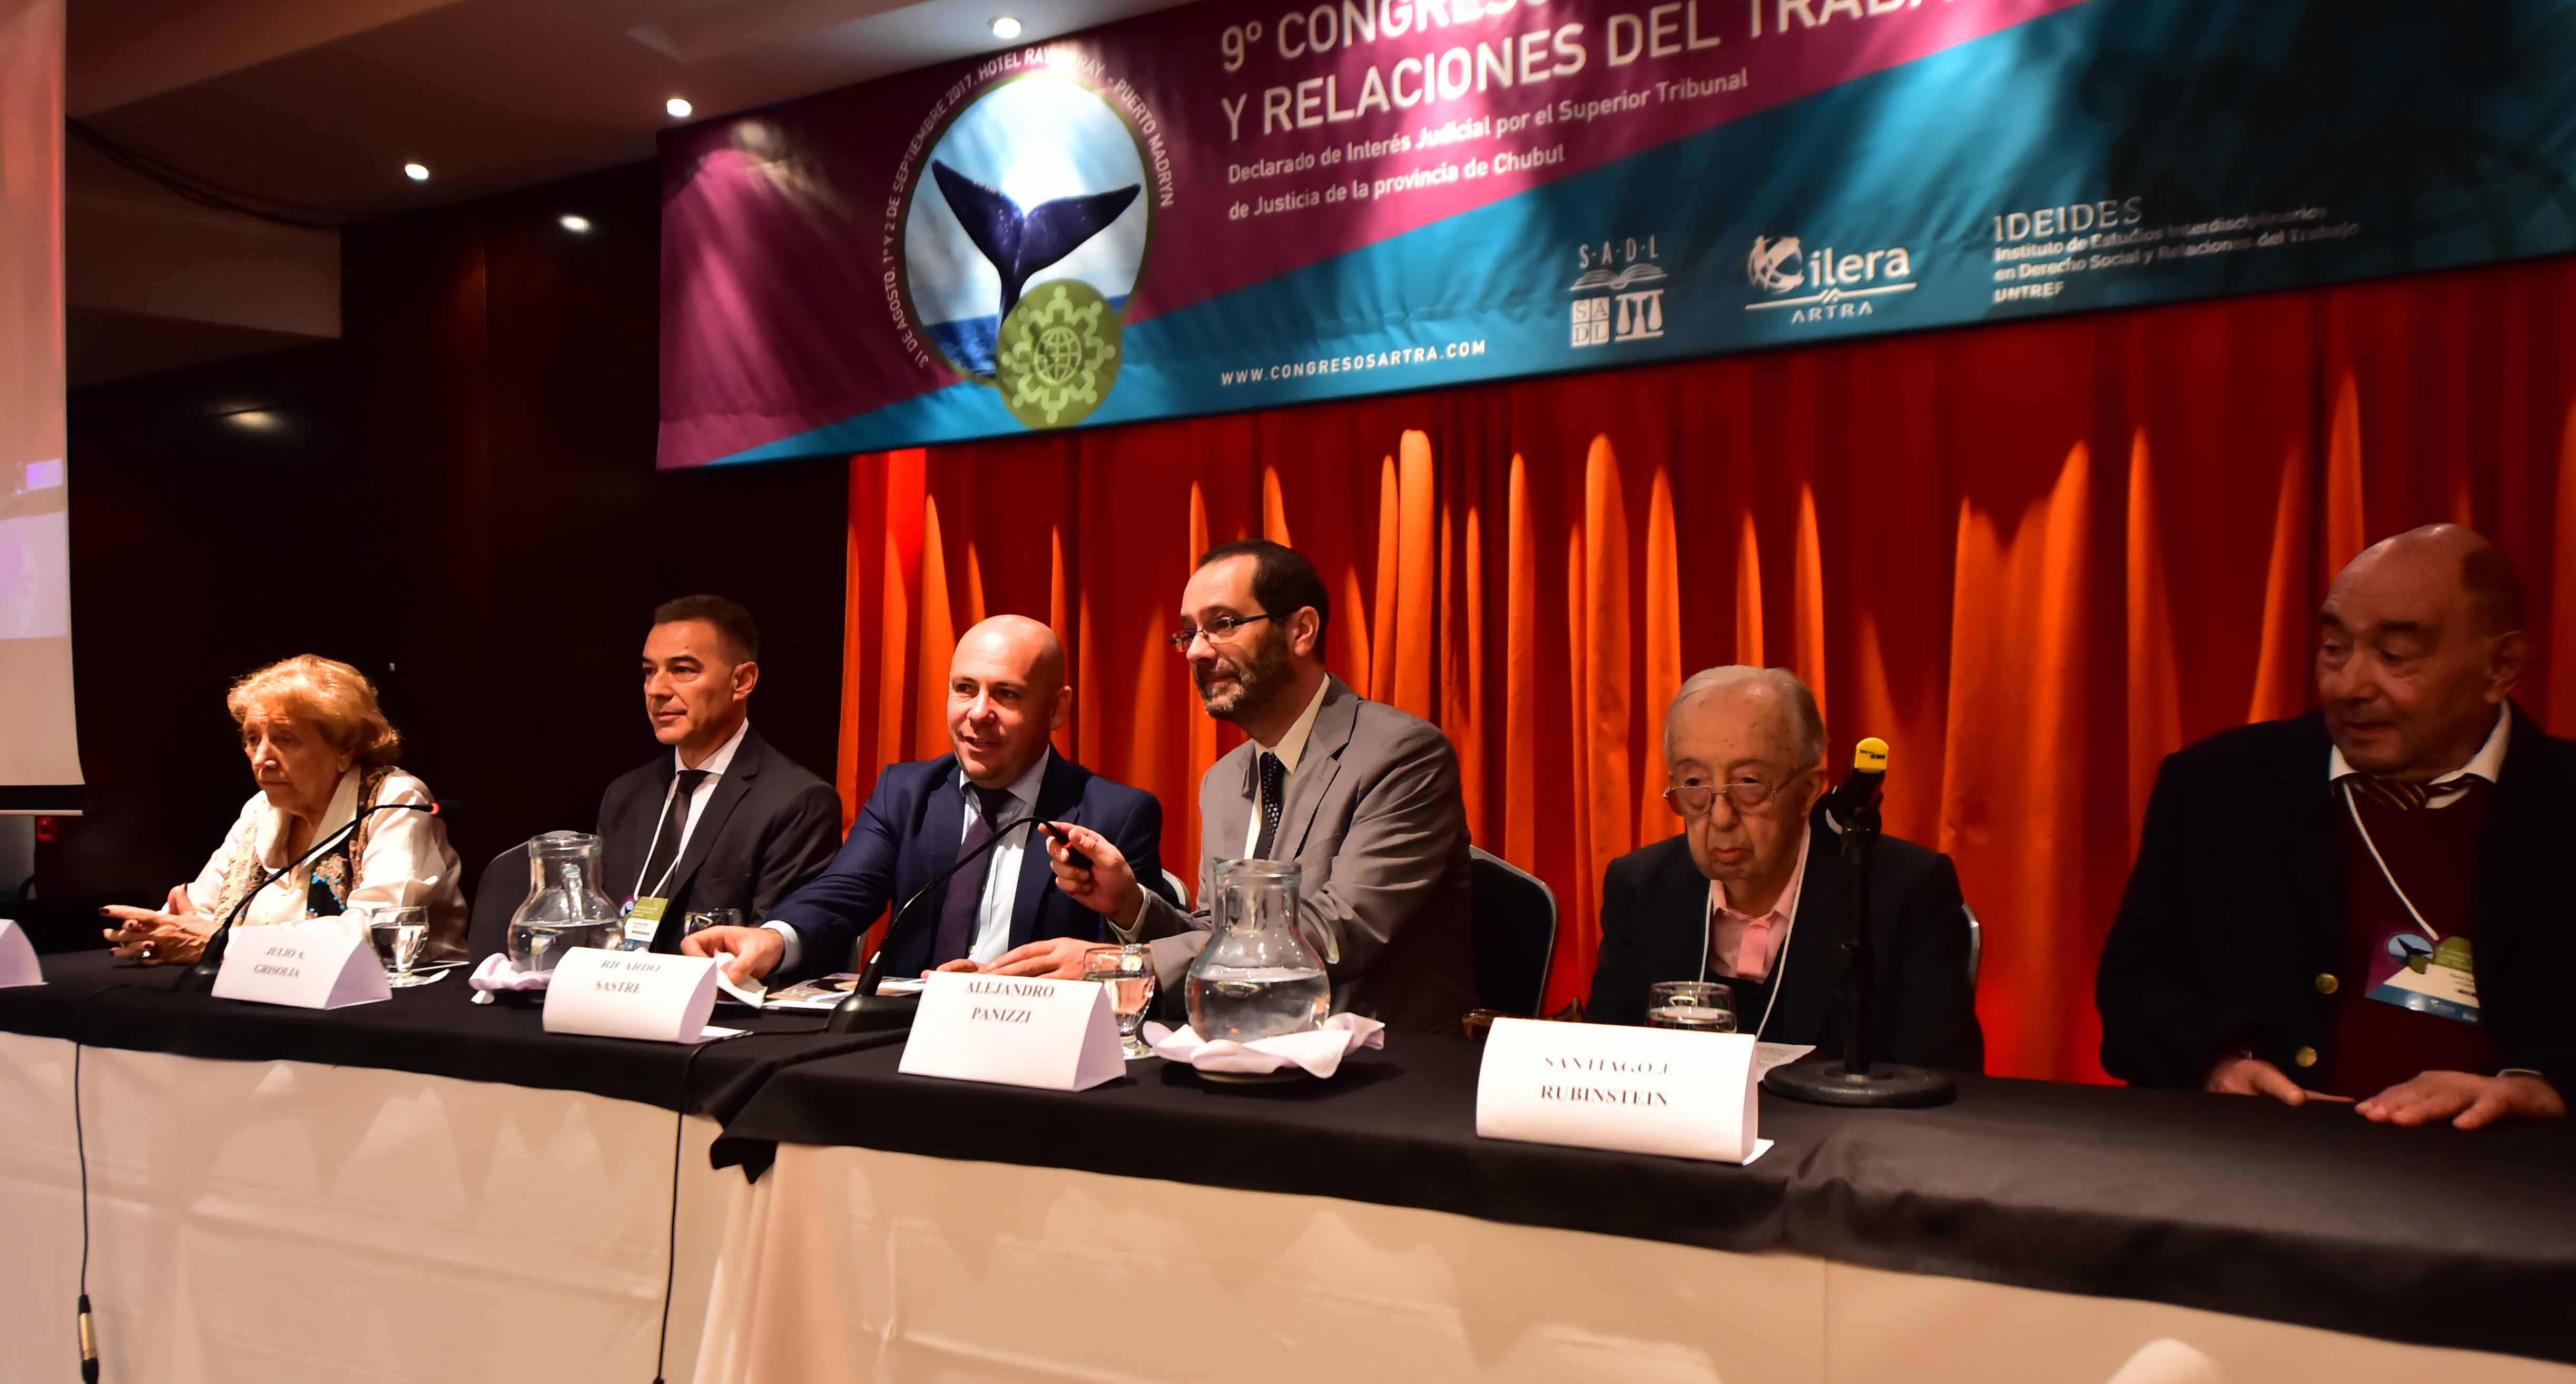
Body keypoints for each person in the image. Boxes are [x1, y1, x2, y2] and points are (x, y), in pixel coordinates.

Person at [2099, 524, 2576, 1128]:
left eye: (2394, 657)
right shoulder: (2218, 785)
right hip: (2259, 1155)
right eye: (2334, 648)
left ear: (2500, 666)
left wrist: (2537, 1088)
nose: (2349, 686)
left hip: (2514, 1178)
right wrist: (2217, 1065)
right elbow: (2135, 990)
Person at [1045, 539, 1476, 1032]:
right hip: (1246, 1050)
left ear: (1302, 631)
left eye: (1223, 624)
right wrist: (1128, 902)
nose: (1197, 652)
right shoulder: (1224, 780)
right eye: (1189, 632)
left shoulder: (1403, 754)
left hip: (1380, 1072)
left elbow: (1334, 934)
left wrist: (1129, 967)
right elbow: (1218, 939)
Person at [683, 614, 1164, 983]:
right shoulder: (906, 792)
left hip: (1040, 1047)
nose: (978, 714)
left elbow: (1129, 962)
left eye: (1008, 696)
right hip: (906, 1040)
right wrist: (772, 939)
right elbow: (843, 894)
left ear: (1057, 709)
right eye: (964, 689)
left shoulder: (1114, 815)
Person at [1582, 666, 1984, 1070]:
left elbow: (1945, 1088)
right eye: (1695, 784)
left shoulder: (1903, 893)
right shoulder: (1639, 887)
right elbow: (1604, 1066)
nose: (1721, 818)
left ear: (1809, 790)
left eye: (1749, 783)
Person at [100, 654, 466, 963]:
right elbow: (196, 915)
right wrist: (155, 932)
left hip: (391, 1011)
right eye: (252, 739)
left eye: (285, 740)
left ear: (345, 748)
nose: (262, 760)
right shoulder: (262, 809)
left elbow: (379, 933)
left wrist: (222, 945)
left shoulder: (394, 801)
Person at [596, 595, 842, 953]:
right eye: (650, 671)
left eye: (683, 670)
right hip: (613, 994)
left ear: (742, 680)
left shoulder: (797, 801)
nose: (656, 689)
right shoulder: (625, 795)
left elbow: (771, 949)